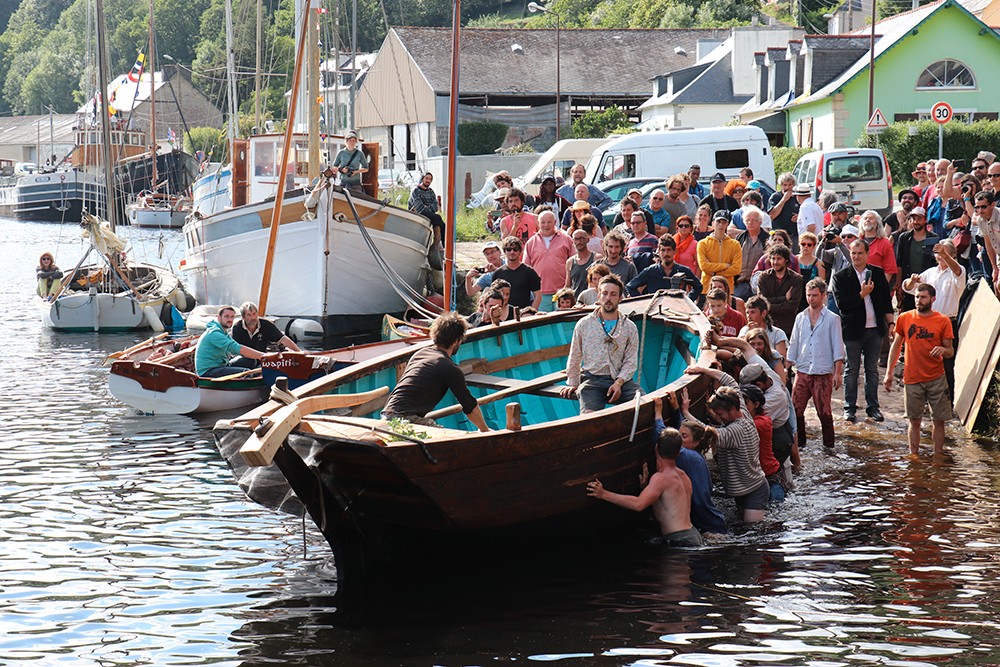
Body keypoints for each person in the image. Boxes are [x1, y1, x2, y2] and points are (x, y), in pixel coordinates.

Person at [587, 426, 703, 547]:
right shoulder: (683, 476)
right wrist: (646, 488)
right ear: (679, 451)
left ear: (656, 448)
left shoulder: (660, 478)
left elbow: (638, 504)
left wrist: (604, 494)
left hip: (679, 540)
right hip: (692, 534)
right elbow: (670, 505)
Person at [681, 366, 768, 523]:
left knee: (753, 532)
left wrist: (686, 413)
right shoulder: (740, 406)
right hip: (742, 488)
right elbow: (729, 380)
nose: (719, 418)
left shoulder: (735, 431)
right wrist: (702, 369)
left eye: (720, 414)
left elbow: (706, 432)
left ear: (733, 409)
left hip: (754, 489)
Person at [382, 312, 490, 432]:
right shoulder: (449, 368)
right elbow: (470, 406)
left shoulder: (420, 353)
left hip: (386, 416)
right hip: (405, 421)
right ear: (456, 341)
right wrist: (485, 430)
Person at [884, 284, 954, 456]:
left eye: (923, 297)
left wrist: (943, 351)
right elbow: (896, 345)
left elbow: (950, 351)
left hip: (936, 377)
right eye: (916, 297)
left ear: (932, 299)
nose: (919, 300)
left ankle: (938, 455)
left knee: (939, 420)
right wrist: (889, 373)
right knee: (914, 420)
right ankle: (913, 457)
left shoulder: (943, 320)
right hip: (912, 377)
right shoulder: (905, 318)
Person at [832, 239, 894, 423]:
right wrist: (861, 294)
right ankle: (849, 408)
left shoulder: (877, 273)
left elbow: (885, 302)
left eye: (860, 253)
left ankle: (872, 407)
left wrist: (891, 324)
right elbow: (842, 305)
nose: (856, 257)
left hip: (875, 329)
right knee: (851, 370)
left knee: (872, 370)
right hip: (852, 330)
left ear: (867, 254)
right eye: (853, 253)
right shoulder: (841, 276)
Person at [561, 274, 640, 413]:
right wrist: (573, 382)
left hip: (622, 382)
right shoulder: (584, 324)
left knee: (644, 405)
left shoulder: (630, 327)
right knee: (588, 418)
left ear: (620, 298)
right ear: (599, 296)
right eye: (605, 293)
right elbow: (575, 355)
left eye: (613, 294)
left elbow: (631, 360)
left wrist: (619, 382)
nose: (608, 298)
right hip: (592, 381)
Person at [901, 238, 965, 400]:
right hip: (928, 323)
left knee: (946, 365)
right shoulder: (930, 273)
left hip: (947, 323)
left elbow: (958, 272)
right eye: (939, 253)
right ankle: (925, 401)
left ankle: (947, 402)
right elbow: (908, 288)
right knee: (924, 361)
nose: (941, 256)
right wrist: (911, 281)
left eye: (945, 253)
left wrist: (946, 255)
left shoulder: (957, 271)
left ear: (952, 254)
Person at [654, 397, 727, 536]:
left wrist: (658, 416)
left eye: (684, 437)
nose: (679, 439)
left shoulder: (689, 457)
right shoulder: (693, 455)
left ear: (696, 442)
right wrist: (676, 409)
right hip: (707, 522)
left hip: (710, 527)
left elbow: (664, 439)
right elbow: (681, 429)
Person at [787, 278, 843, 450]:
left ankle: (829, 446)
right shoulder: (800, 317)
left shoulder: (832, 319)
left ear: (824, 296)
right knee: (796, 410)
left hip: (822, 371)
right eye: (808, 295)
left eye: (815, 295)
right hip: (802, 370)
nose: (811, 299)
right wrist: (786, 367)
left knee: (824, 412)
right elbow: (794, 343)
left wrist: (838, 372)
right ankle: (801, 444)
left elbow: (838, 346)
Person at [740, 383, 784, 503]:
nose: (741, 408)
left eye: (745, 403)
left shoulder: (763, 422)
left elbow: (740, 427)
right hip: (755, 476)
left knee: (775, 508)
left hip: (770, 476)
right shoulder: (747, 421)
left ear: (756, 404)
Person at [524, 209, 575, 312]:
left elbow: (574, 263)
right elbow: (527, 267)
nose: (546, 225)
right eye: (543, 222)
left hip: (562, 292)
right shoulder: (531, 243)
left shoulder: (566, 239)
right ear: (538, 223)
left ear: (555, 222)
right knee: (545, 324)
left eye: (549, 222)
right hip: (541, 294)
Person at [194, 306, 265, 377]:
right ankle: (257, 379)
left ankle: (258, 375)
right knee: (246, 373)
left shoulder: (223, 332)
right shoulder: (214, 333)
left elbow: (236, 347)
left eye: (232, 317)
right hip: (208, 370)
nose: (230, 319)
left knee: (251, 360)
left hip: (222, 365)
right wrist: (265, 356)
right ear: (219, 317)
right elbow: (236, 348)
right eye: (226, 316)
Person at [627, 234, 701, 299]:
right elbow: (630, 286)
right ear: (658, 252)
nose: (666, 254)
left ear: (674, 251)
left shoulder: (684, 271)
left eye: (669, 250)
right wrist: (643, 302)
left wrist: (688, 300)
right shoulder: (650, 271)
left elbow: (698, 286)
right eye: (663, 250)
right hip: (655, 312)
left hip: (678, 311)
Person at [755, 245, 803, 337]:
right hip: (767, 325)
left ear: (786, 260)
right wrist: (784, 298)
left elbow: (792, 306)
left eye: (779, 259)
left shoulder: (796, 279)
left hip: (788, 326)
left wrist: (769, 305)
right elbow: (761, 302)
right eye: (773, 258)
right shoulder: (763, 277)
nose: (775, 262)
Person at [231, 302, 302, 361]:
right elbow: (237, 350)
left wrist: (299, 353)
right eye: (249, 315)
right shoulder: (237, 328)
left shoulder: (266, 325)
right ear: (243, 317)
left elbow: (283, 339)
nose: (253, 318)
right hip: (244, 359)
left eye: (254, 314)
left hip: (262, 360)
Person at [697, 210, 742, 294]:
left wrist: (714, 272)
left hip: (728, 290)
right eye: (718, 222)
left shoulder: (735, 244)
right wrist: (725, 265)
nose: (721, 225)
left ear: (727, 224)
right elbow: (704, 266)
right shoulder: (703, 243)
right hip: (706, 289)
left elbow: (736, 269)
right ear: (713, 223)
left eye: (724, 222)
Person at [492, 236, 542, 310]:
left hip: (523, 314)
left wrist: (530, 313)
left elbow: (538, 296)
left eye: (515, 249)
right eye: (509, 249)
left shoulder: (529, 272)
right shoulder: (497, 273)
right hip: (503, 315)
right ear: (504, 251)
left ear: (520, 251)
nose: (512, 252)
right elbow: (493, 297)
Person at [733, 205, 769, 300]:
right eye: (748, 220)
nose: (750, 222)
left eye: (754, 220)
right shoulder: (740, 237)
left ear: (760, 222)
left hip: (759, 283)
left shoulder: (766, 238)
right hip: (740, 282)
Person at [408, 172, 445, 250]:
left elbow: (435, 207)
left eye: (430, 179)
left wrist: (427, 206)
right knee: (437, 218)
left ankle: (438, 244)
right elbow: (419, 207)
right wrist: (429, 207)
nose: (428, 180)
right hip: (416, 214)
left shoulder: (431, 192)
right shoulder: (416, 191)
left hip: (428, 213)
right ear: (422, 179)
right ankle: (439, 245)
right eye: (426, 178)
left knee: (441, 224)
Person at [565, 228, 601, 297]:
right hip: (576, 301)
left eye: (581, 238)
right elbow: (568, 286)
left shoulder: (597, 258)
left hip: (593, 299)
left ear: (587, 240)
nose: (579, 242)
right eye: (576, 239)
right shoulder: (570, 262)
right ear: (572, 241)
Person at [768, 172, 800, 250]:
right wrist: (784, 200)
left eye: (790, 185)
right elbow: (772, 215)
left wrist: (798, 217)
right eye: (785, 185)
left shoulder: (797, 197)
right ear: (781, 185)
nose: (788, 188)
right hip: (779, 236)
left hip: (794, 235)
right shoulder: (775, 197)